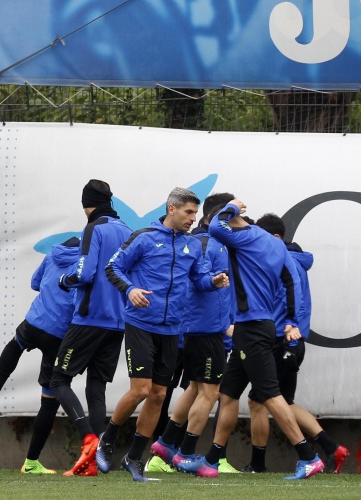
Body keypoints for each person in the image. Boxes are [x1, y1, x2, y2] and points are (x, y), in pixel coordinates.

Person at [97, 187, 228, 482]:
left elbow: (199, 279)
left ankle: (134, 457)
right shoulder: (144, 238)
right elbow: (113, 267)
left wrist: (214, 281)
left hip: (172, 329)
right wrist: (130, 290)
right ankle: (108, 439)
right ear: (172, 209)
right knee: (141, 390)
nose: (193, 218)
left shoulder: (192, 245)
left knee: (158, 395)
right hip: (141, 324)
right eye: (189, 212)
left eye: (195, 213)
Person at [202, 198, 324, 481]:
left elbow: (216, 228)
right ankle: (211, 461)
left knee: (270, 394)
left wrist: (231, 206)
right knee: (228, 393)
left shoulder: (243, 237)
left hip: (252, 327)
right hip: (257, 326)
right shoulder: (273, 242)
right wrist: (292, 320)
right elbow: (291, 280)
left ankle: (308, 457)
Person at [241, 213, 350, 474]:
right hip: (288, 341)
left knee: (259, 400)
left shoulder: (283, 262)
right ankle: (332, 448)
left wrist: (287, 339)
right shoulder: (292, 260)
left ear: (275, 238)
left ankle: (259, 464)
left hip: (282, 341)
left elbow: (292, 303)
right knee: (282, 401)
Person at [0, 237, 80, 475]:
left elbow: (35, 283)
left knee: (15, 346)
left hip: (35, 321)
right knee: (49, 400)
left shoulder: (52, 255)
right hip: (59, 333)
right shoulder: (85, 263)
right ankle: (31, 462)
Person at [48, 179, 132, 477]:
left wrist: (63, 280)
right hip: (118, 322)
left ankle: (88, 438)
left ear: (87, 204)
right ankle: (92, 463)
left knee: (58, 379)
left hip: (90, 318)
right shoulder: (127, 230)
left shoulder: (94, 228)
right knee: (97, 388)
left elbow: (84, 273)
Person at [150, 199, 236, 478]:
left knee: (197, 388)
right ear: (217, 218)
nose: (235, 227)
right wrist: (221, 321)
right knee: (210, 392)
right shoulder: (205, 243)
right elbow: (198, 282)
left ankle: (165, 443)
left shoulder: (206, 243)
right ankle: (185, 453)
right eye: (230, 219)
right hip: (204, 329)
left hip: (202, 328)